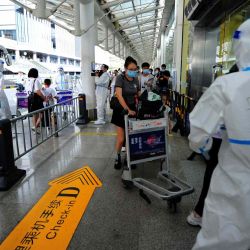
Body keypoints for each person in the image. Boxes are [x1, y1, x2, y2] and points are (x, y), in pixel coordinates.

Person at [189, 19, 250, 250]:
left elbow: (198, 134)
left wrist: (205, 147)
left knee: (219, 240)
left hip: (232, 184)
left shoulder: (227, 85)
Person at [187, 63, 239, 227]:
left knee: (216, 174)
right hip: (226, 141)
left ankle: (201, 213)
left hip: (221, 139)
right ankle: (201, 213)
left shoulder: (224, 87)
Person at [111, 56, 140, 169]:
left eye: (135, 69)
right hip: (121, 110)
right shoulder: (120, 78)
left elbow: (138, 93)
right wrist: (128, 109)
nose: (133, 71)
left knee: (130, 138)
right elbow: (118, 95)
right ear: (125, 68)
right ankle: (117, 156)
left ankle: (128, 157)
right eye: (131, 69)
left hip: (132, 110)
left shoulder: (136, 79)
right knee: (121, 138)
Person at [27, 68, 46, 133]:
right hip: (36, 98)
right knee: (41, 113)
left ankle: (34, 129)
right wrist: (44, 98)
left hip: (30, 98)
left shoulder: (28, 80)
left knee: (34, 114)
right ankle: (35, 127)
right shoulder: (36, 80)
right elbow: (38, 91)